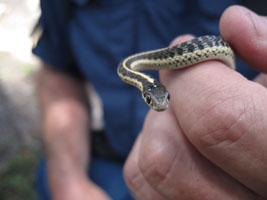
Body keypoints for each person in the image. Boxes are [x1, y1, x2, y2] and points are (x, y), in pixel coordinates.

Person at [33, 0, 264, 199]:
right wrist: (68, 182)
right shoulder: (131, 70)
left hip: (225, 169)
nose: (161, 104)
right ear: (146, 92)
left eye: (164, 99)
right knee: (45, 174)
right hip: (114, 161)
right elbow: (57, 66)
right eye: (154, 101)